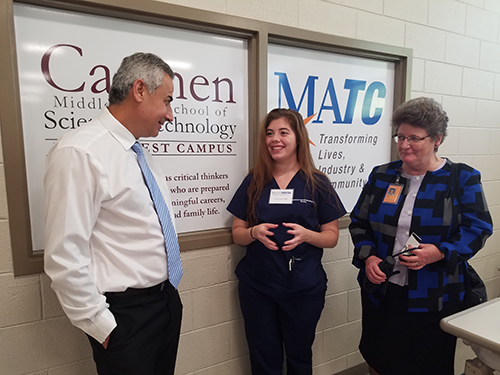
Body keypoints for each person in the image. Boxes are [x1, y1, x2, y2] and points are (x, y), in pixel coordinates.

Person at [44, 52, 183, 375]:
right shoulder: (81, 152)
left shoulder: (138, 153)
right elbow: (65, 255)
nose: (170, 114)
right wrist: (103, 326)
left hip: (164, 302)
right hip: (125, 317)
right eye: (166, 101)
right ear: (139, 90)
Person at [349, 97, 493, 375]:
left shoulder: (461, 178)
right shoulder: (382, 176)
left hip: (433, 293)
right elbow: (359, 222)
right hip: (383, 288)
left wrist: (440, 253)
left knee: (426, 362)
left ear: (437, 139)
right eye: (400, 136)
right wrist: (368, 258)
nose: (404, 145)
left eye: (414, 138)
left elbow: (478, 228)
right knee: (378, 355)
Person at [227, 108, 346, 375]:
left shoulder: (318, 183)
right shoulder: (254, 181)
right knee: (262, 357)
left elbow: (332, 237)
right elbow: (237, 232)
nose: (275, 139)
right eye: (269, 133)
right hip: (259, 287)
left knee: (299, 357)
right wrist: (253, 233)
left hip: (303, 289)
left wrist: (307, 235)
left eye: (283, 132)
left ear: (298, 138)